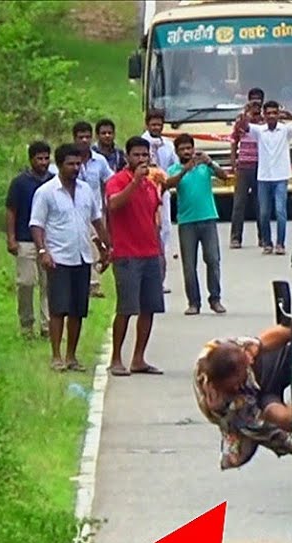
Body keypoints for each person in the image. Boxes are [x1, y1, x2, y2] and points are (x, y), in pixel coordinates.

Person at [30, 143, 111, 372]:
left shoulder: (86, 190)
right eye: (71, 164)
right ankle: (56, 356)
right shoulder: (46, 192)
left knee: (77, 309)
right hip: (58, 257)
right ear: (60, 165)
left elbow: (96, 220)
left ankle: (72, 356)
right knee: (58, 309)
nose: (75, 168)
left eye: (78, 164)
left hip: (82, 257)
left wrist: (106, 246)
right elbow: (37, 224)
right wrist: (43, 251)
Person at [193, 325, 292, 470]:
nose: (237, 387)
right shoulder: (231, 406)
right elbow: (276, 435)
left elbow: (262, 341)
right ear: (217, 384)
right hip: (254, 406)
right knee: (286, 419)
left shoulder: (222, 348)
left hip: (265, 370)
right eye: (234, 385)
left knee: (287, 343)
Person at [104, 136, 166, 376]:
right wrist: (134, 182)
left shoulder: (151, 185)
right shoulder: (117, 181)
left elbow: (153, 217)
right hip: (127, 255)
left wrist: (160, 252)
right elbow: (114, 205)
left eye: (145, 155)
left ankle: (139, 358)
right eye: (136, 155)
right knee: (126, 308)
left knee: (149, 308)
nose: (141, 159)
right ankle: (116, 358)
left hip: (150, 252)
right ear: (127, 157)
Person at [167, 133, 230, 314]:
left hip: (208, 218)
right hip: (186, 222)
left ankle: (215, 299)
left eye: (189, 148)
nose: (187, 152)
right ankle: (193, 302)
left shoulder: (204, 167)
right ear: (177, 151)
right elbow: (168, 184)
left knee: (212, 260)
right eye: (182, 149)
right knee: (189, 265)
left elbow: (224, 176)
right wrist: (185, 169)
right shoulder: (174, 169)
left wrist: (209, 162)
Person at [50, 121, 113, 298]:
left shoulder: (99, 161)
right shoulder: (65, 163)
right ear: (74, 138)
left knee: (93, 245)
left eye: (87, 137)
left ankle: (93, 283)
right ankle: (84, 282)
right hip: (69, 210)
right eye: (81, 137)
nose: (84, 140)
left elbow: (109, 182)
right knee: (80, 244)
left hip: (94, 209)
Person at [234, 100, 292, 255]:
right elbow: (242, 126)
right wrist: (246, 111)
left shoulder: (285, 130)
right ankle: (267, 242)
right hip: (264, 177)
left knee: (280, 211)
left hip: (281, 176)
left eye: (274, 113)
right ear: (264, 115)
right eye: (269, 113)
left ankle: (280, 243)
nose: (271, 116)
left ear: (278, 114)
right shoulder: (259, 131)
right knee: (264, 213)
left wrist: (289, 114)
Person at [6, 141, 55, 338]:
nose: (43, 162)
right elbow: (11, 210)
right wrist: (11, 238)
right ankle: (26, 325)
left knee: (48, 284)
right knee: (26, 282)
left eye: (46, 158)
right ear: (31, 159)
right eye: (39, 158)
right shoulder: (20, 183)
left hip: (49, 239)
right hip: (25, 239)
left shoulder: (54, 181)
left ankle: (48, 325)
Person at [142, 108, 178, 292]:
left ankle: (160, 279)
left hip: (163, 192)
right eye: (153, 124)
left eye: (159, 124)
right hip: (145, 193)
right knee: (150, 231)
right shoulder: (142, 144)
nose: (156, 127)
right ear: (147, 124)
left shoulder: (169, 146)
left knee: (165, 231)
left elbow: (174, 167)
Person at [228, 101, 267, 249]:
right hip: (243, 167)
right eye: (252, 109)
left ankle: (263, 237)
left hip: (260, 167)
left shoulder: (264, 125)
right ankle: (235, 237)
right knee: (239, 203)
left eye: (258, 109)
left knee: (260, 203)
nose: (255, 113)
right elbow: (233, 142)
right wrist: (233, 162)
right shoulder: (241, 124)